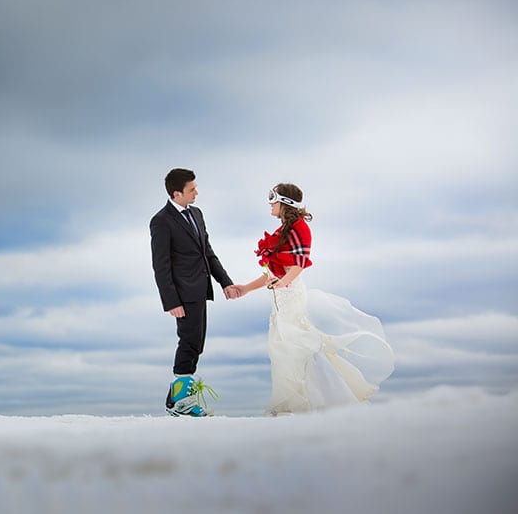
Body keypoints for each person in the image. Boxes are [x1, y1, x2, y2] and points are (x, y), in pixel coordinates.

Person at [233, 183, 394, 415]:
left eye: (274, 199)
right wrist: (246, 288)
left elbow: (298, 264)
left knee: (300, 346)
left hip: (291, 295)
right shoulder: (280, 233)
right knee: (283, 348)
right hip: (279, 296)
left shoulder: (300, 228)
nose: (270, 203)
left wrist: (285, 281)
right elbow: (271, 272)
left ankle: (321, 400)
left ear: (285, 203)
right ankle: (294, 402)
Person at [150, 168, 238, 417]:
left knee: (196, 344)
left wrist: (225, 282)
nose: (197, 192)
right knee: (189, 343)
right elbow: (161, 265)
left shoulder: (197, 214)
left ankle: (175, 400)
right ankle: (182, 404)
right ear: (177, 193)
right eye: (192, 189)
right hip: (182, 294)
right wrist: (171, 301)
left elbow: (207, 252)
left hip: (201, 289)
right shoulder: (161, 221)